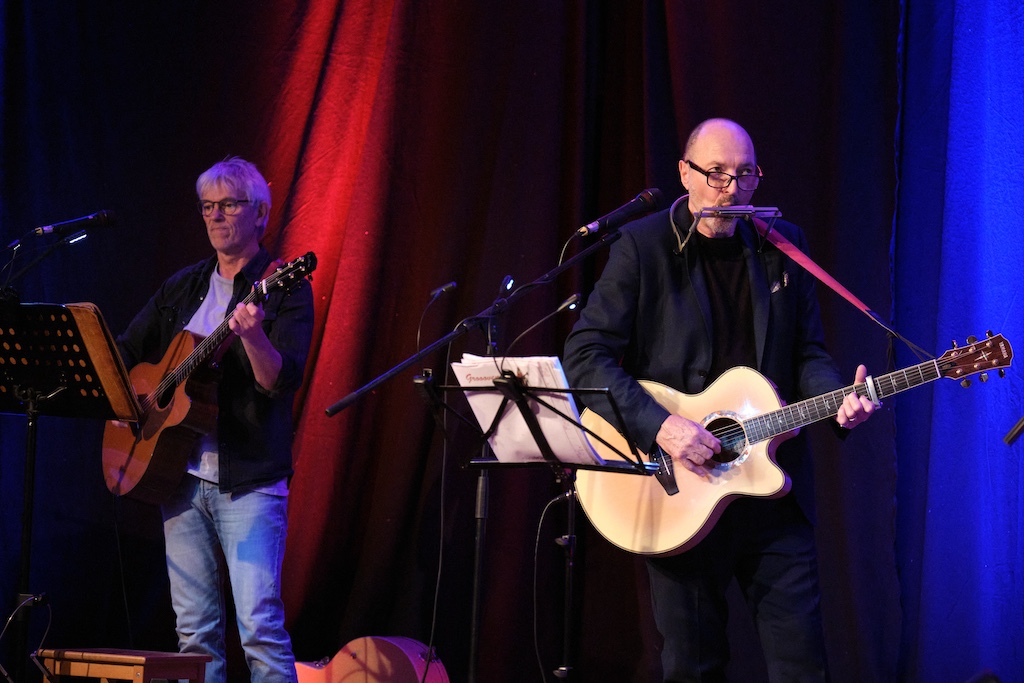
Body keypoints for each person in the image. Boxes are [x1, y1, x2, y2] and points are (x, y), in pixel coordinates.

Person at [563, 118, 876, 681]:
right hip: (679, 490)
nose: (731, 190)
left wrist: (839, 402)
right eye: (716, 174)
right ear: (685, 173)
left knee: (803, 668)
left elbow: (808, 354)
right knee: (693, 669)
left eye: (745, 174)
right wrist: (661, 426)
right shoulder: (643, 247)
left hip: (771, 490)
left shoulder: (783, 245)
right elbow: (586, 354)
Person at [115, 157, 314, 682]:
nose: (215, 216)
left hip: (248, 480)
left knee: (259, 629)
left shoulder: (284, 286)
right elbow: (126, 350)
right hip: (177, 475)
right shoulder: (183, 286)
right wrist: (132, 399)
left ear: (260, 214)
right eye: (208, 207)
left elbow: (278, 382)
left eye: (228, 205)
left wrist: (253, 335)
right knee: (194, 636)